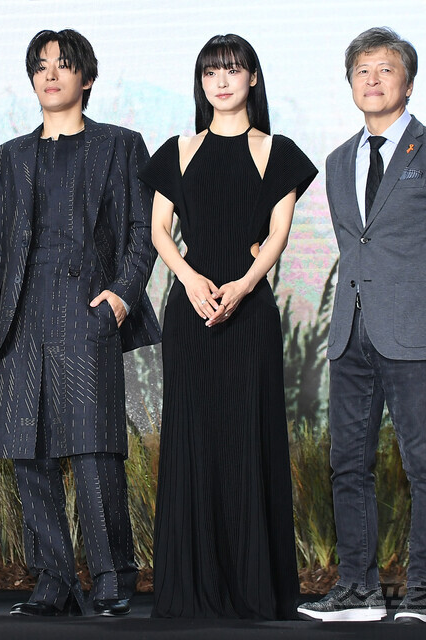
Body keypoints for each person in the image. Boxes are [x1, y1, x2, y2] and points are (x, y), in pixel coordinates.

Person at [297, 27, 426, 626]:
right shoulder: (336, 162)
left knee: (424, 466)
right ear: (350, 83)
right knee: (348, 465)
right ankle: (359, 591)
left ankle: (424, 596)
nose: (372, 80)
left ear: (408, 82)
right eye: (362, 71)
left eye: (385, 70)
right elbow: (356, 246)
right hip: (350, 335)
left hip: (415, 336)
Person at [0, 28, 161, 617]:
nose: (50, 74)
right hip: (21, 315)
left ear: (88, 76)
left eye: (63, 64)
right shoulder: (8, 156)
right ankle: (53, 579)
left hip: (87, 308)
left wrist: (121, 297)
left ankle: (112, 575)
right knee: (27, 450)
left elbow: (143, 232)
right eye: (40, 66)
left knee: (94, 448)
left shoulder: (121, 145)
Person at [139, 34, 317, 619]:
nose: (221, 80)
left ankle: (254, 590)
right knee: (191, 441)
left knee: (249, 439)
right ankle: (190, 590)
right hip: (191, 312)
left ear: (253, 78)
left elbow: (278, 233)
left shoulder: (277, 151)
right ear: (201, 82)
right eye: (211, 71)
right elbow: (159, 230)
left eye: (233, 70)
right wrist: (190, 279)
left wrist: (242, 285)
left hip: (249, 311)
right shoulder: (178, 150)